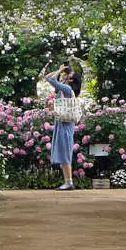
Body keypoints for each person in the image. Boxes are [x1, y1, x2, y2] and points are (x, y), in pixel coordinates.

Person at [41, 60, 81, 191]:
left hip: (65, 124)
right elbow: (47, 77)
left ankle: (69, 182)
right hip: (62, 122)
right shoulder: (64, 88)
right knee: (63, 151)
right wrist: (61, 70)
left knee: (65, 152)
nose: (65, 75)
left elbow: (51, 79)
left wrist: (60, 70)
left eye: (68, 75)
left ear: (71, 80)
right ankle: (67, 181)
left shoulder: (67, 89)